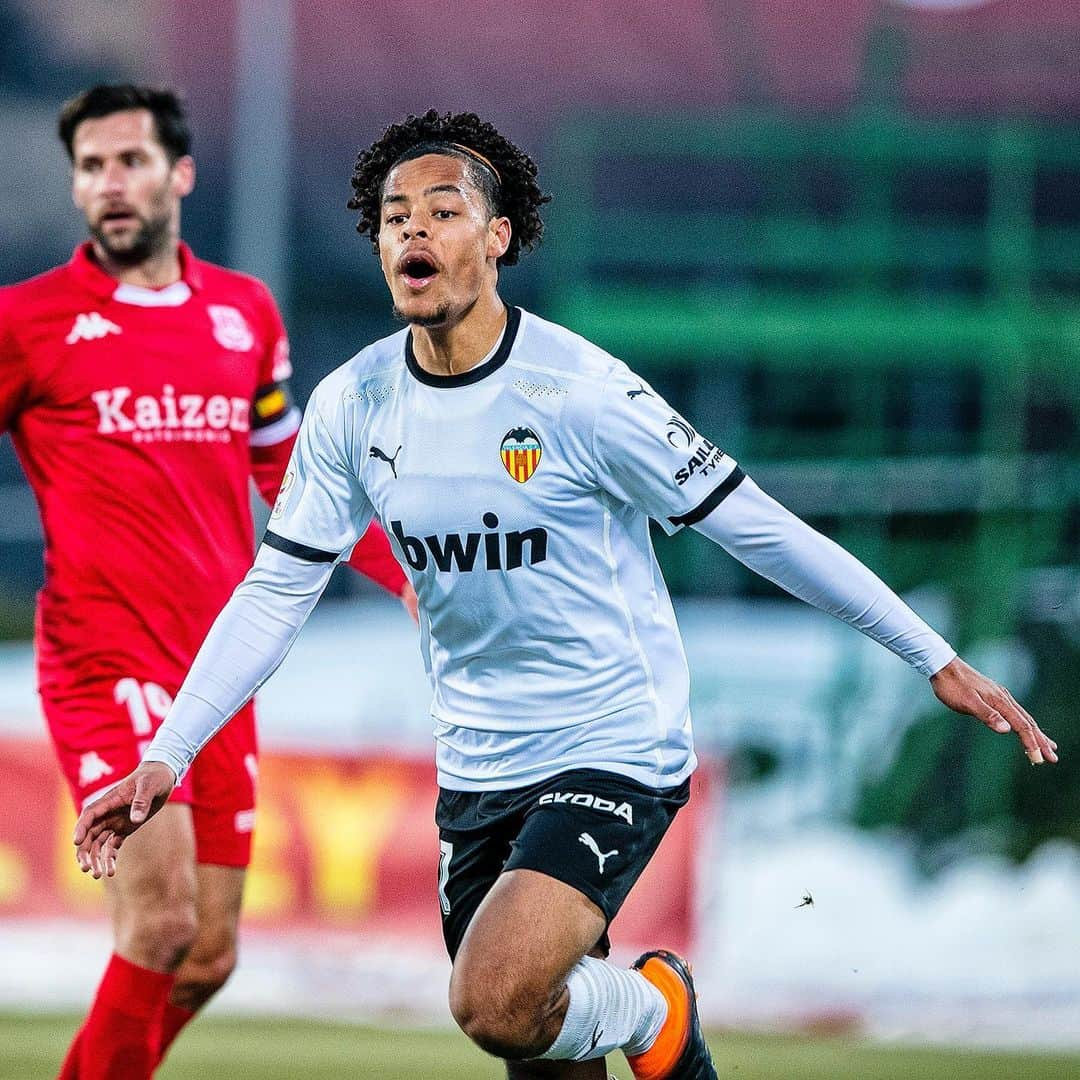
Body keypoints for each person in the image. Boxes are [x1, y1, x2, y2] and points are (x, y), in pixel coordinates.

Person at [73, 109, 1058, 1080]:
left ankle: (651, 1006)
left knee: (490, 999)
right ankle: (658, 1038)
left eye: (443, 209)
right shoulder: (353, 406)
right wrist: (168, 753)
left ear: (497, 238)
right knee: (534, 1029)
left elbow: (756, 525)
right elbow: (277, 588)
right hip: (478, 766)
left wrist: (930, 653)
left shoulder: (582, 393)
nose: (413, 228)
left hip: (614, 743)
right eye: (392, 214)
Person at [0, 83, 415, 1080]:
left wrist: (406, 579)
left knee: (207, 955)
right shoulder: (27, 322)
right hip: (103, 660)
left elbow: (290, 475)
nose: (110, 183)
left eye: (130, 161)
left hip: (217, 670)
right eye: (92, 166)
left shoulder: (243, 313)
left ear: (179, 174)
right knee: (161, 919)